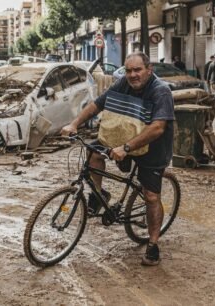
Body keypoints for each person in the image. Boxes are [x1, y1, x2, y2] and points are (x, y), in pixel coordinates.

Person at [61, 52, 175, 266]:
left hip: (153, 148)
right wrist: (74, 124)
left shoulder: (161, 91)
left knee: (150, 196)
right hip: (123, 137)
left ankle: (152, 243)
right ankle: (99, 192)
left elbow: (158, 127)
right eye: (129, 70)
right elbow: (97, 105)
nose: (132, 75)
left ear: (149, 70)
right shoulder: (122, 83)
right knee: (94, 152)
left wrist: (127, 147)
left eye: (137, 70)